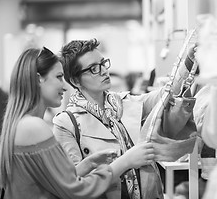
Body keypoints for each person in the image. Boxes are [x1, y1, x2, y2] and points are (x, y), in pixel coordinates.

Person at [0, 46, 155, 199]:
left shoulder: (22, 124)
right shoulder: (35, 127)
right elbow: (77, 191)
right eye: (59, 77)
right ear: (39, 78)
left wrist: (86, 165)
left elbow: (53, 184)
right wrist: (126, 161)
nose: (65, 86)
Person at [53, 38, 196, 199]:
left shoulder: (124, 103)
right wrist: (127, 161)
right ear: (75, 81)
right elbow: (75, 184)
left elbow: (165, 95)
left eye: (103, 63)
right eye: (93, 68)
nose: (103, 71)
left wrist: (188, 63)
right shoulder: (66, 123)